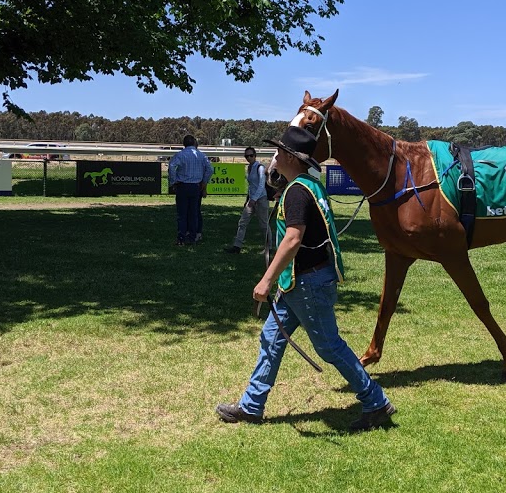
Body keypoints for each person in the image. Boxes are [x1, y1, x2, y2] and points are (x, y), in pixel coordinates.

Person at [216, 125, 396, 432]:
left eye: (276, 153)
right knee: (271, 339)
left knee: (329, 347)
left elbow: (293, 238)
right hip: (299, 282)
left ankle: (376, 402)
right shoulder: (310, 185)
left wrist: (266, 281)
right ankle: (251, 405)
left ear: (288, 156)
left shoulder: (297, 192)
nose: (273, 158)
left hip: (307, 283)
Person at [167, 134, 213, 245]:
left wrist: (173, 181)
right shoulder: (201, 155)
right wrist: (204, 181)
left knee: (182, 214)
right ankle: (193, 237)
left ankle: (181, 238)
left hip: (182, 186)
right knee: (194, 213)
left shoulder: (180, 155)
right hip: (196, 187)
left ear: (184, 144)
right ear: (194, 143)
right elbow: (210, 169)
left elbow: (172, 166)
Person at [224, 146, 271, 254]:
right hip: (251, 200)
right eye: (246, 156)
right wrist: (248, 199)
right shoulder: (249, 168)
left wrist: (254, 199)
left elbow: (261, 185)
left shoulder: (260, 167)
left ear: (255, 156)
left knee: (264, 224)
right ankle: (237, 246)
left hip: (261, 199)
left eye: (251, 155)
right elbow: (251, 186)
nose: (248, 158)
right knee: (242, 222)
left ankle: (269, 246)